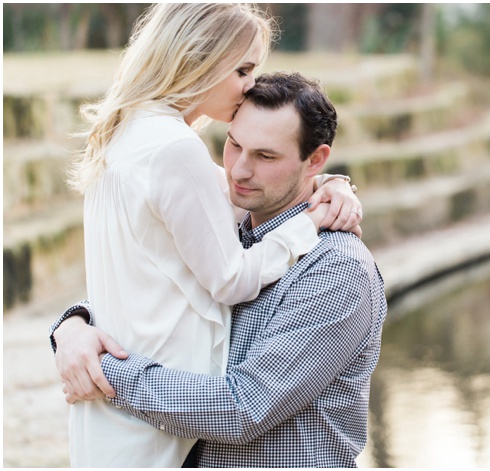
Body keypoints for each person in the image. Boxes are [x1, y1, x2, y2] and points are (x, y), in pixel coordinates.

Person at [58, 3, 362, 468]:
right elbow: (228, 279)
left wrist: (331, 185)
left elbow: (244, 406)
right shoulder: (173, 147)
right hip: (150, 422)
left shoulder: (128, 133)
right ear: (199, 57)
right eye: (242, 69)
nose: (248, 86)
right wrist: (72, 326)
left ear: (313, 158)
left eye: (264, 154)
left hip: (131, 413)